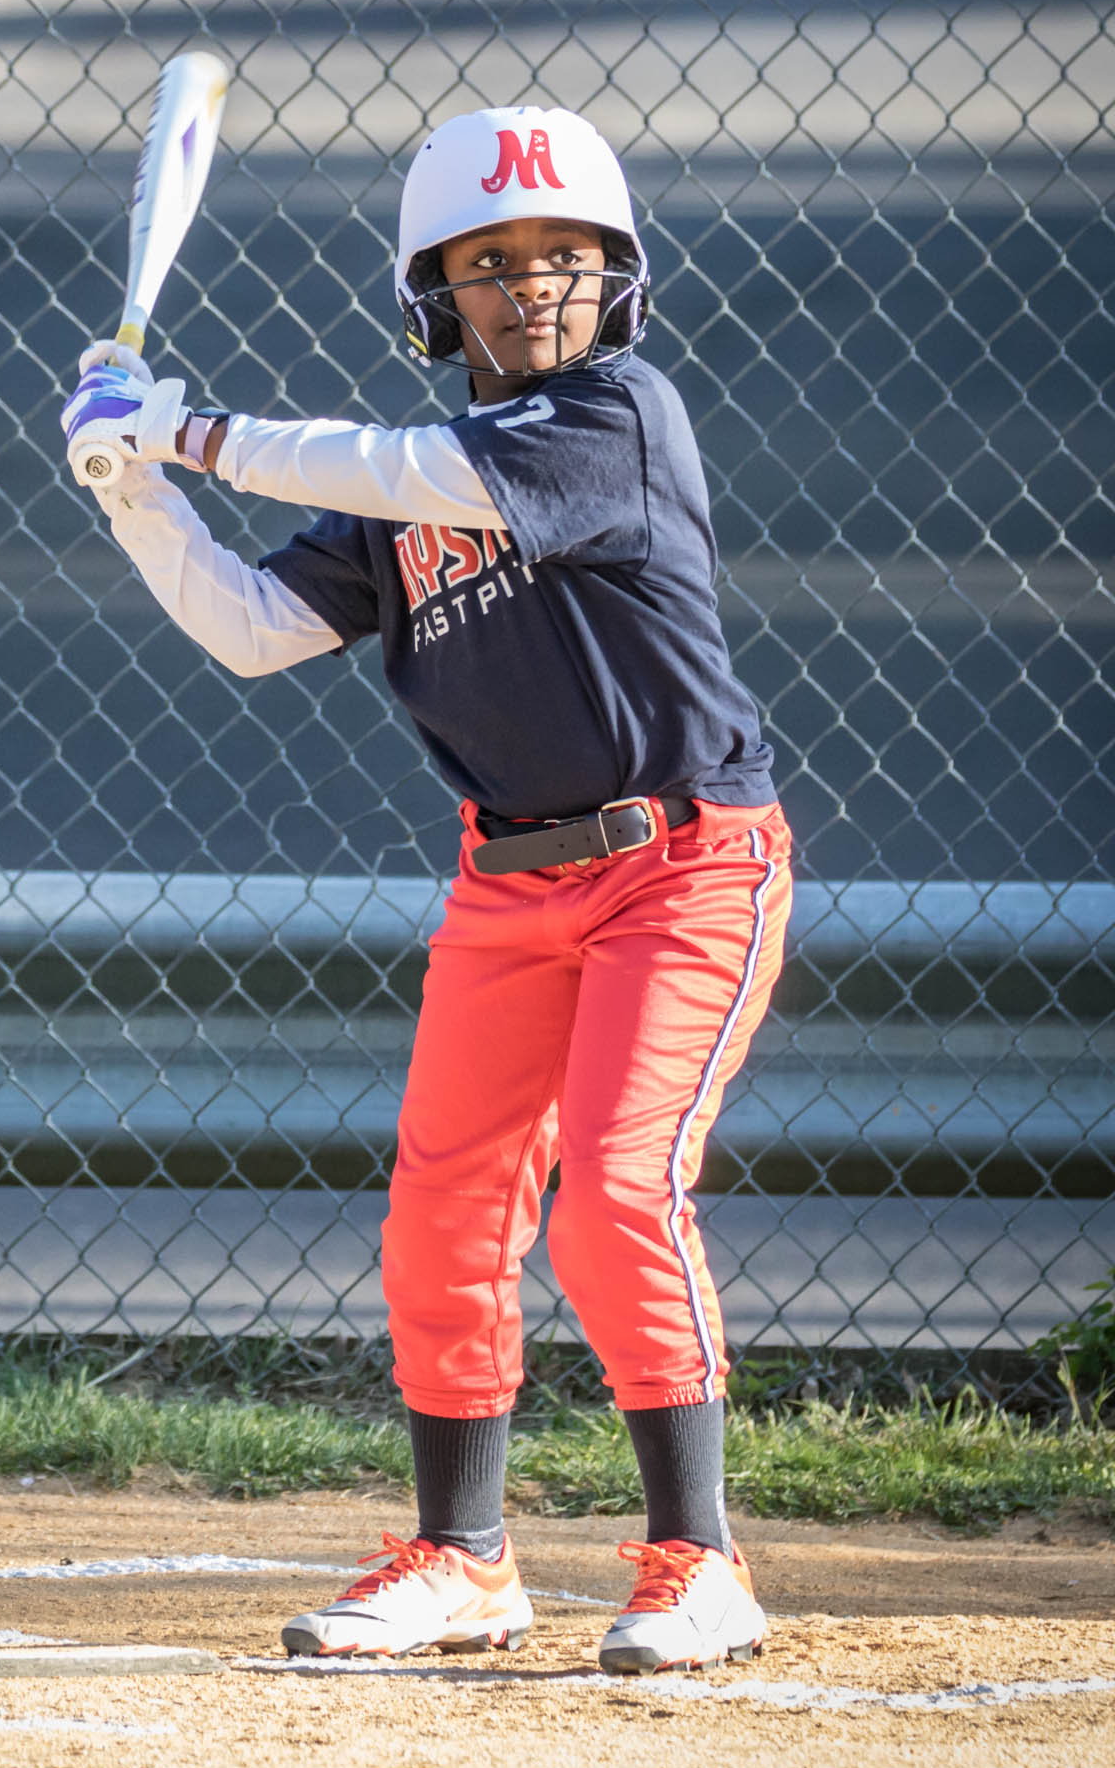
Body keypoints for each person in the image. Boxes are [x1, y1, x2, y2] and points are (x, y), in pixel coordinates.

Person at [59, 104, 793, 1676]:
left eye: (565, 255)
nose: (531, 285)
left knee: (615, 1194)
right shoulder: (401, 491)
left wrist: (191, 432)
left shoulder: (619, 417)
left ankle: (701, 1559)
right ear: (435, 297)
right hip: (507, 880)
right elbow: (254, 628)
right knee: (446, 1211)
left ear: (618, 278)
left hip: (682, 866)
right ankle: (463, 1560)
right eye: (490, 262)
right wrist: (131, 489)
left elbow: (419, 468)